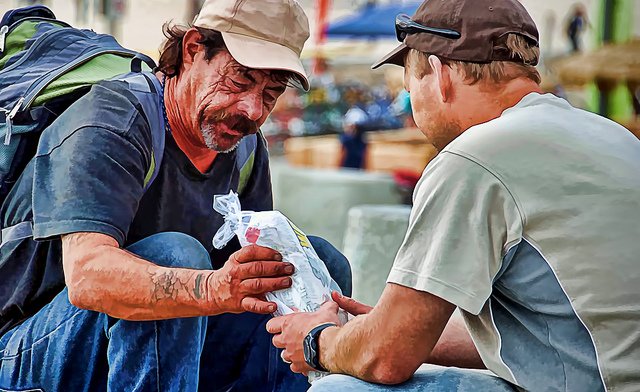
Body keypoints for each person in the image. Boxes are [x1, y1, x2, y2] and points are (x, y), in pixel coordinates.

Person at [266, 0, 640, 391]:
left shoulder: (475, 157)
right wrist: (391, 327)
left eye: (412, 90)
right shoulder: (611, 136)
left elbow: (385, 359)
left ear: (439, 74)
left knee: (339, 389)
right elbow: (560, 335)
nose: (412, 107)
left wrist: (316, 341)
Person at [0, 0, 351, 391]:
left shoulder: (245, 149)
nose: (252, 110)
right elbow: (87, 277)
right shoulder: (112, 119)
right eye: (239, 81)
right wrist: (212, 289)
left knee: (316, 266)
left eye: (270, 94)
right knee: (175, 257)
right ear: (193, 50)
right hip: (28, 349)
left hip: (157, 348)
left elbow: (251, 274)